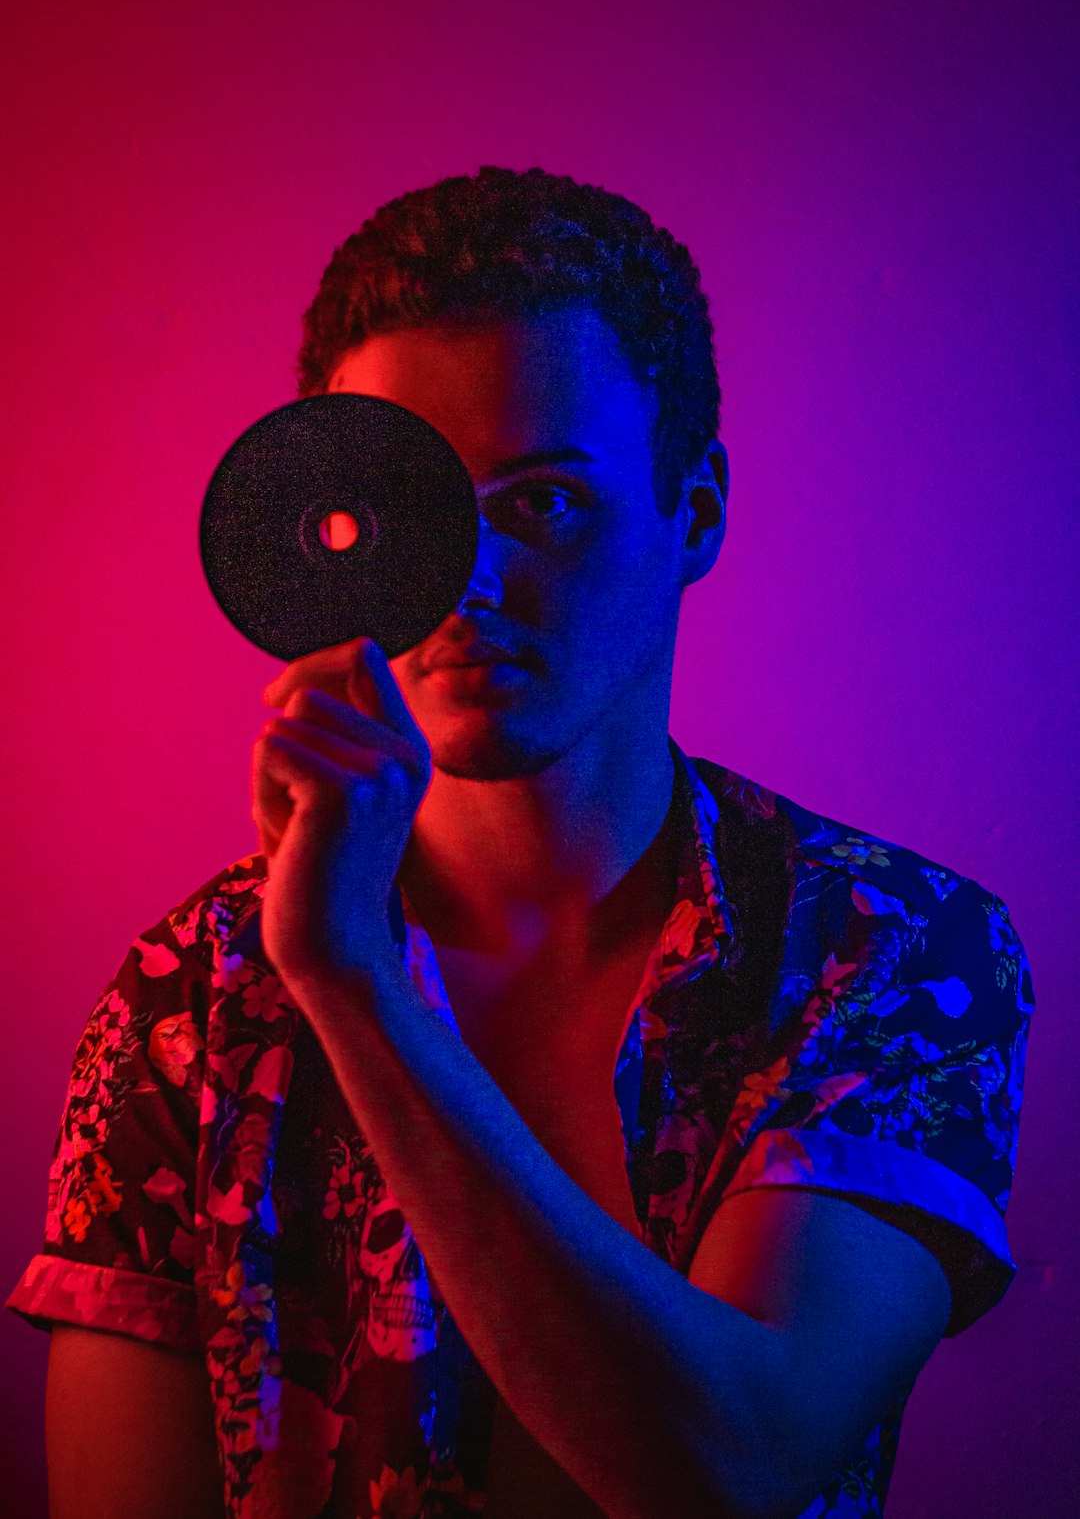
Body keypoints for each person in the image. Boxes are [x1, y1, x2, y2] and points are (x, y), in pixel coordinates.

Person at [8, 166, 1033, 1519]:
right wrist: (314, 961)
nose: (466, 581)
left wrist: (363, 991)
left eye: (543, 501)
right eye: (407, 513)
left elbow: (731, 1471)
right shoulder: (184, 1010)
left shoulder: (894, 954)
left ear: (699, 510)